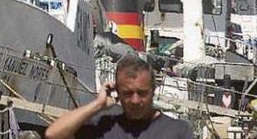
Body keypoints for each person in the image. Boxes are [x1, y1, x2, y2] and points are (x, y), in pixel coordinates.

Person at [44, 55, 192, 139]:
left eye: (142, 93)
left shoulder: (178, 131)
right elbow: (53, 134)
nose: (135, 100)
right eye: (127, 93)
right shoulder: (104, 124)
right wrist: (98, 104)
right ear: (117, 92)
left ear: (153, 90)